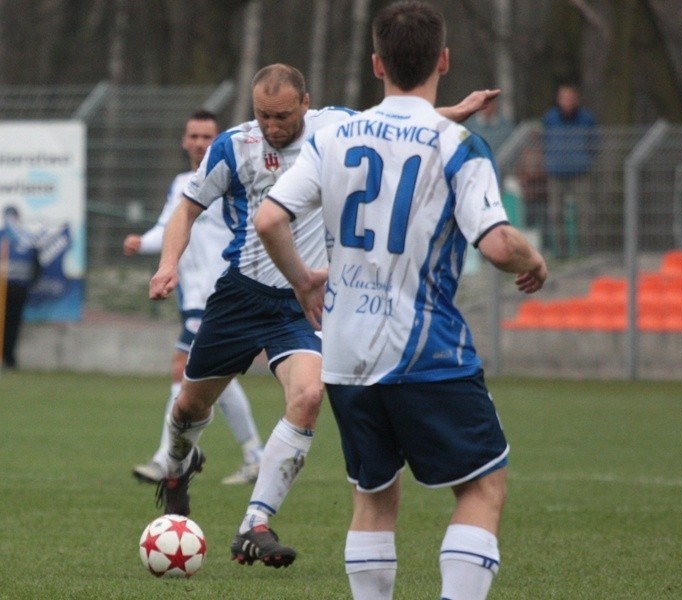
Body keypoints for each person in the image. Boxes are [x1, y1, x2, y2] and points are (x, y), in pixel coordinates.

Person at [148, 63, 498, 568]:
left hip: (300, 301)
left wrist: (453, 111)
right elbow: (187, 207)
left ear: (306, 104)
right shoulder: (234, 145)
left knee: (309, 395)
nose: (272, 126)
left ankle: (255, 525)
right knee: (189, 408)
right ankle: (179, 469)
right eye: (263, 115)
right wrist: (167, 265)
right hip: (240, 297)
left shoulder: (334, 127)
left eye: (283, 115)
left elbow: (394, 128)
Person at [254, 1, 547, 598]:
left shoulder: (333, 138)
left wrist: (305, 280)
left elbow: (268, 219)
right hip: (424, 347)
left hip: (343, 352)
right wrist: (532, 258)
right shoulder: (458, 144)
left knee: (373, 496)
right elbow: (495, 245)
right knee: (483, 485)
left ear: (376, 63)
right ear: (443, 59)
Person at [123, 110, 264, 486]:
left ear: (217, 141)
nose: (200, 143)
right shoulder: (182, 183)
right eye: (194, 136)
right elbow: (169, 225)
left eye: (207, 137)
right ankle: (255, 455)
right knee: (217, 377)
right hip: (192, 295)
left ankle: (165, 459)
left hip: (218, 292)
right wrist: (143, 243)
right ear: (185, 141)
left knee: (181, 364)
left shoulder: (229, 177)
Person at [541, 81, 598, 258]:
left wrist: (584, 160)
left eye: (571, 97)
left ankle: (585, 252)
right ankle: (560, 252)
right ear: (558, 99)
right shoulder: (550, 119)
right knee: (555, 213)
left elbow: (594, 144)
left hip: (580, 172)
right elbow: (543, 142)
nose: (568, 101)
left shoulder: (587, 119)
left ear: (577, 99)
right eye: (564, 97)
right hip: (556, 172)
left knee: (585, 213)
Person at [0, 205, 41, 370]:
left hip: (19, 288)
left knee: (14, 324)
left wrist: (30, 282)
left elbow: (36, 265)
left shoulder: (28, 238)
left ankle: (9, 359)